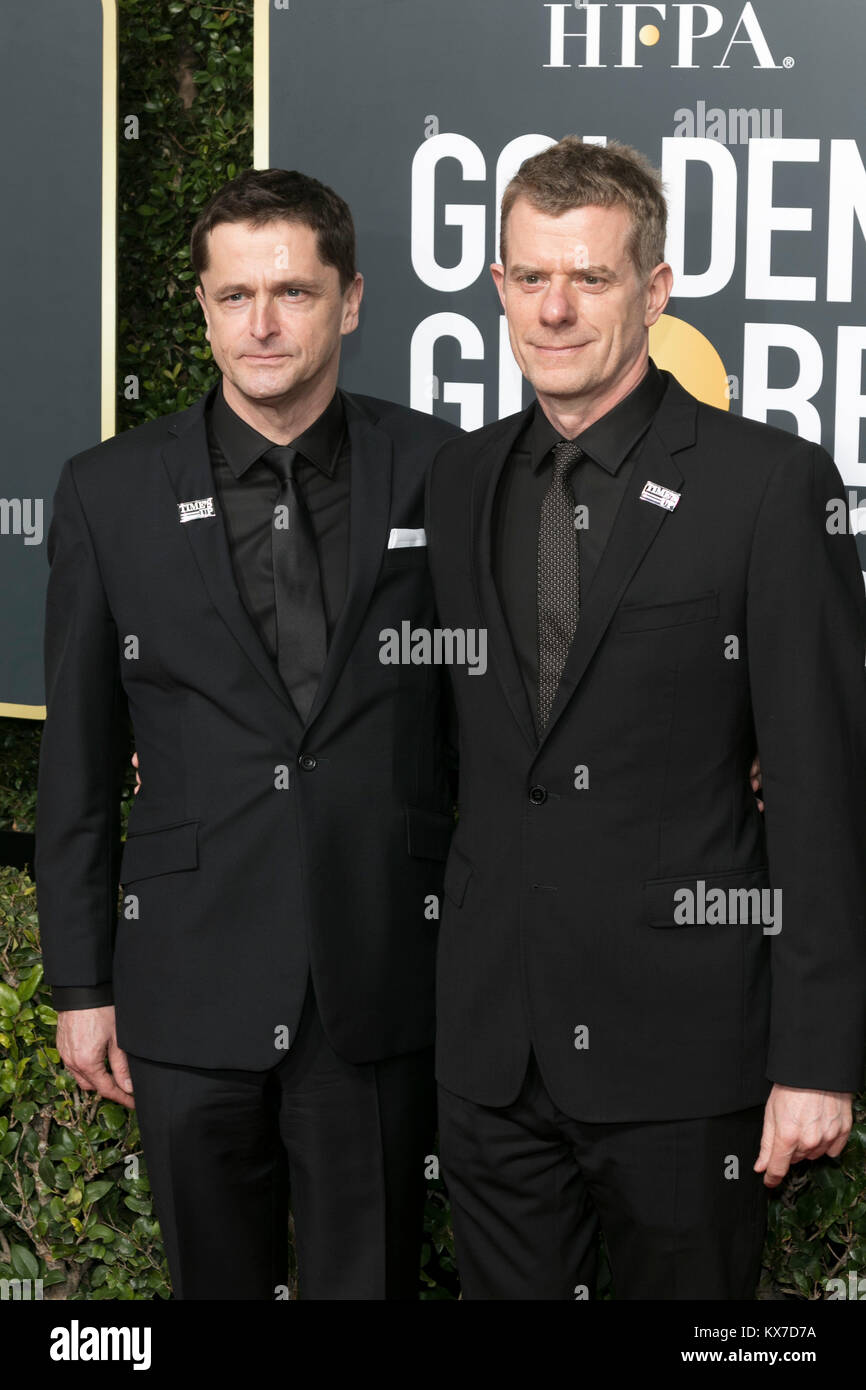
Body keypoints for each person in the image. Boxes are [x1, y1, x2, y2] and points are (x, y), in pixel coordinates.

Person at [426, 136, 866, 1300]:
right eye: (530, 276)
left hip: (684, 1054)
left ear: (654, 289)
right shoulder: (458, 480)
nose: (554, 309)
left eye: (590, 277)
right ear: (498, 286)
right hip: (490, 1052)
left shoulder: (768, 485)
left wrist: (816, 1059)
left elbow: (820, 791)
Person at [35, 168, 459, 1300]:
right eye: (234, 296)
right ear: (204, 308)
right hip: (186, 976)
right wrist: (79, 984)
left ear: (350, 301)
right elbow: (78, 764)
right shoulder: (109, 492)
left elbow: (506, 704)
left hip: (380, 971)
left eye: (293, 292)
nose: (262, 323)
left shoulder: (444, 471)